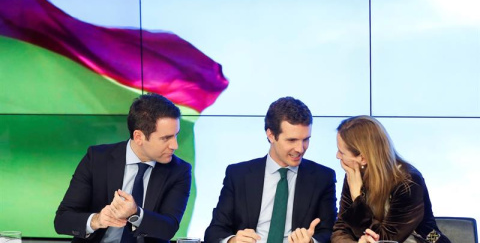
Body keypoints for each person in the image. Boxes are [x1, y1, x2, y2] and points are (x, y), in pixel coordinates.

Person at [54, 93, 192, 243]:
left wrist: (136, 213)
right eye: (165, 138)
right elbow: (62, 220)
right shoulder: (97, 158)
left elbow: (168, 228)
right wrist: (97, 220)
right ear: (139, 137)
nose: (175, 145)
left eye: (176, 135)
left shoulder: (179, 171)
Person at [204, 97, 337, 243]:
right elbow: (214, 231)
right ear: (271, 135)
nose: (300, 148)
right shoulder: (238, 175)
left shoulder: (323, 177)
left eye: (306, 139)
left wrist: (311, 241)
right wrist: (232, 241)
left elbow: (330, 232)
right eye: (292, 140)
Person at [332, 116, 450, 243]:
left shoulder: (408, 182)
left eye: (341, 152)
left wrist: (357, 198)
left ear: (363, 158)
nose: (337, 156)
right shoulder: (354, 174)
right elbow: (341, 228)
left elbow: (387, 240)